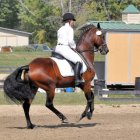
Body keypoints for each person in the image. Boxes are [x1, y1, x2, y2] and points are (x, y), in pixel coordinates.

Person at [54, 12, 84, 86]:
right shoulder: (70, 29)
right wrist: (74, 47)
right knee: (79, 60)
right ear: (70, 20)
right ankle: (77, 79)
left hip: (57, 48)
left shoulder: (60, 29)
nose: (73, 22)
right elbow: (70, 41)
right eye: (73, 21)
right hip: (64, 48)